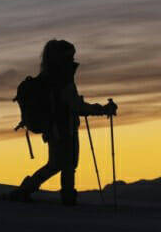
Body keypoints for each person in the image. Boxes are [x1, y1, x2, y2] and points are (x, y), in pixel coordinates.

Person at [9, 39, 117, 205]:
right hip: (63, 129)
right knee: (63, 164)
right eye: (69, 56)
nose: (72, 59)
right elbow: (76, 106)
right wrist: (102, 109)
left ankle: (32, 191)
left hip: (55, 129)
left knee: (59, 164)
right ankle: (62, 197)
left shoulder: (48, 78)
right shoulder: (62, 80)